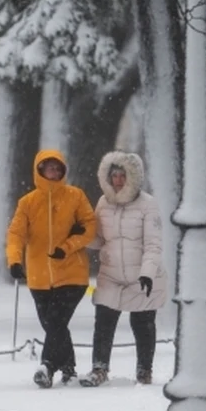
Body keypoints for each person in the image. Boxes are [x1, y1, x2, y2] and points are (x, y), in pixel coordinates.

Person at [6, 149, 97, 388]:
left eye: (58, 168)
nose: (54, 172)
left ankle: (47, 366)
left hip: (72, 273)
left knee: (56, 321)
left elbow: (90, 227)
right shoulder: (27, 202)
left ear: (63, 170)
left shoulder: (76, 196)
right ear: (40, 170)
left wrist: (67, 246)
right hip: (39, 276)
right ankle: (69, 367)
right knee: (53, 325)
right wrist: (14, 260)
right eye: (49, 168)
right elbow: (16, 234)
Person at [79, 150, 167, 387]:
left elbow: (153, 243)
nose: (118, 180)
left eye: (123, 175)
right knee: (104, 321)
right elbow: (99, 239)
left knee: (143, 324)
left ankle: (144, 371)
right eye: (114, 175)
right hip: (111, 274)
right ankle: (99, 369)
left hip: (142, 275)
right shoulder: (103, 203)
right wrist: (82, 236)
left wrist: (147, 273)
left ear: (133, 177)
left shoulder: (148, 204)